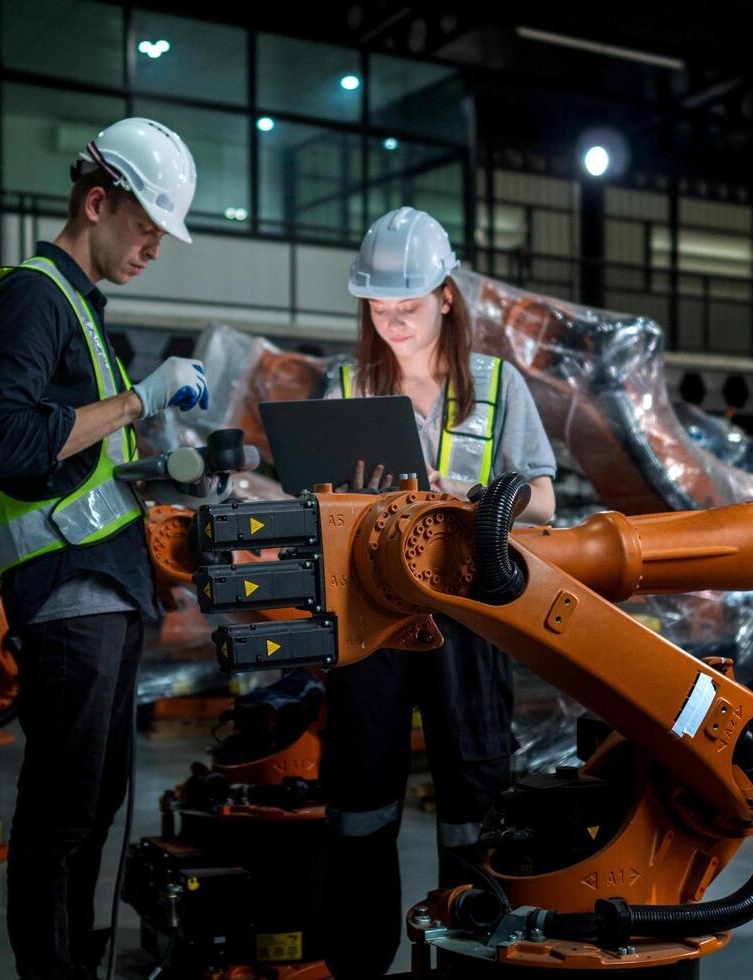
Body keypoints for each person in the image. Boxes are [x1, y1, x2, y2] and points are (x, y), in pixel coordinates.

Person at [0, 117, 213, 980]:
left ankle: (72, 962)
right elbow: (14, 442)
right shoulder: (32, 296)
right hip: (69, 598)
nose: (152, 250)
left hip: (106, 592)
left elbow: (84, 462)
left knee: (97, 802)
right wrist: (140, 402)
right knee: (64, 814)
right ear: (96, 201)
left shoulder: (83, 313)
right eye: (145, 231)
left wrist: (161, 475)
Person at [320, 206, 557, 977]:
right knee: (359, 795)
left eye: (408, 308)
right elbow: (317, 499)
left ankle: (470, 954)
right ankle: (360, 958)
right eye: (380, 310)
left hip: (467, 619)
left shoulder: (496, 385)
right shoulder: (346, 385)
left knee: (476, 793)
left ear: (446, 298)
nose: (392, 323)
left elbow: (547, 500)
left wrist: (477, 495)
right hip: (371, 619)